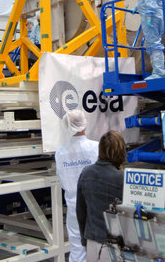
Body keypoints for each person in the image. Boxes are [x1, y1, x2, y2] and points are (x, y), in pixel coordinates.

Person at [55, 110, 98, 262]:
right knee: (99, 247)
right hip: (95, 206)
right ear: (84, 124)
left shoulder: (60, 153)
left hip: (73, 206)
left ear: (67, 126)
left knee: (77, 247)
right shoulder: (96, 148)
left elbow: (61, 179)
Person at [76, 130, 126, 262]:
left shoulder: (86, 173)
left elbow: (80, 212)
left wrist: (84, 240)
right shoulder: (122, 178)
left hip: (92, 243)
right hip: (114, 246)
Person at [132, 0, 165, 79]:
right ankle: (158, 71)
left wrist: (150, 14)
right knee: (154, 43)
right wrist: (137, 6)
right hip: (155, 14)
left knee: (154, 44)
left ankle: (159, 73)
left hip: (151, 15)